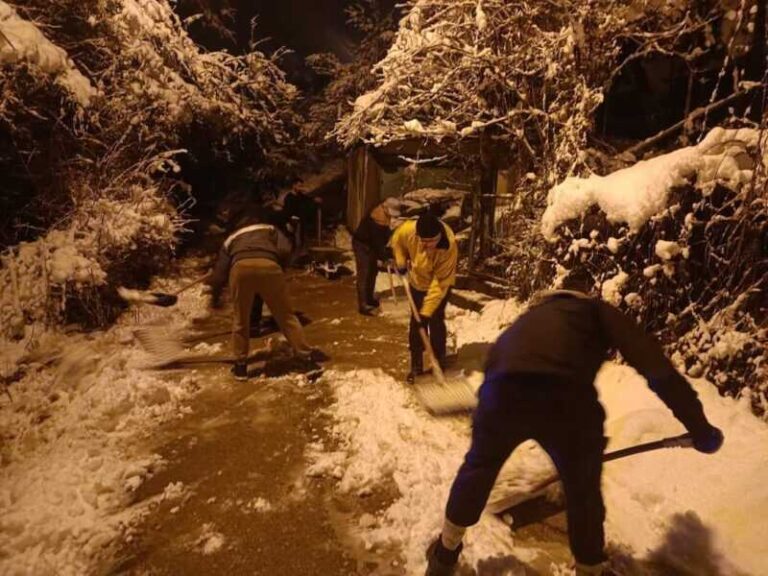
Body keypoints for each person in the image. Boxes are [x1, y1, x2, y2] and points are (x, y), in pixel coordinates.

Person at [425, 270, 724, 576]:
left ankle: (444, 554)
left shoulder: (532, 317)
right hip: (565, 399)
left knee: (479, 467)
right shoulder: (596, 311)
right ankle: (589, 567)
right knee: (583, 488)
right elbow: (654, 365)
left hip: (501, 393)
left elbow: (498, 361)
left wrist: (489, 422)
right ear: (587, 292)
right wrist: (699, 426)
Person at [207, 209, 323, 381]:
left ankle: (240, 367)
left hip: (240, 268)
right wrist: (279, 266)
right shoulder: (270, 229)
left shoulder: (232, 237)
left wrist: (215, 296)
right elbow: (286, 249)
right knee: (286, 316)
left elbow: (220, 272)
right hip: (269, 266)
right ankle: (306, 360)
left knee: (241, 319)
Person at [390, 212, 457, 384]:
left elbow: (439, 285)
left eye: (431, 241)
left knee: (435, 321)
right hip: (416, 283)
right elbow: (397, 240)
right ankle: (416, 366)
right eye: (423, 241)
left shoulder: (448, 246)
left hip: (439, 285)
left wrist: (426, 312)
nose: (427, 245)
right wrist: (400, 261)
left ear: (439, 235)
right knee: (416, 324)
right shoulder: (409, 230)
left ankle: (438, 362)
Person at [352, 201, 393, 315]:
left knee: (373, 271)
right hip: (362, 244)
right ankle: (363, 304)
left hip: (371, 244)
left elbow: (384, 236)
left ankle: (369, 298)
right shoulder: (376, 219)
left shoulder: (384, 214)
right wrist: (385, 257)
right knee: (364, 273)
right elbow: (378, 242)